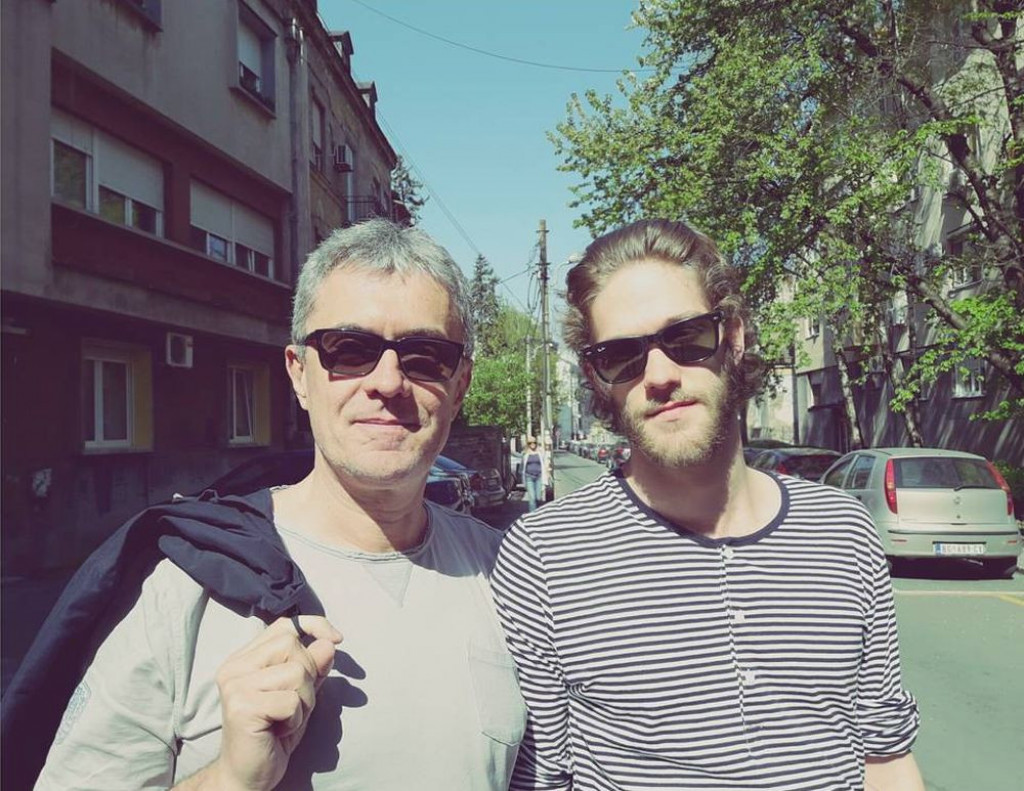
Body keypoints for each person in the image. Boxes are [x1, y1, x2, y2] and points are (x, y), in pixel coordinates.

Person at [28, 220, 526, 790]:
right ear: (299, 374)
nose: (388, 383)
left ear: (460, 386)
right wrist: (230, 778)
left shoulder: (512, 577)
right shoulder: (184, 584)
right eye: (349, 350)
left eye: (425, 356)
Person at [489, 219, 924, 790]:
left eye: (687, 337)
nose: (659, 375)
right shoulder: (546, 554)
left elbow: (886, 759)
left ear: (734, 336)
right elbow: (542, 780)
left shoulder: (842, 530)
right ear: (596, 377)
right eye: (621, 354)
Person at [522, 437, 549, 511]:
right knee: (532, 498)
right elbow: (521, 463)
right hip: (529, 477)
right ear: (528, 444)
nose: (532, 444)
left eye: (534, 442)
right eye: (530, 443)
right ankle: (532, 515)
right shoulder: (525, 453)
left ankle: (538, 512)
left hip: (539, 477)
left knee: (538, 497)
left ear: (536, 443)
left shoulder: (540, 452)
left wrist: (547, 472)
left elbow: (545, 462)